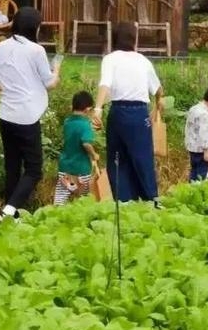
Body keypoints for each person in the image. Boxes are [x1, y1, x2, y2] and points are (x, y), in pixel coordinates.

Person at [0, 7, 61, 222]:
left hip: (6, 115)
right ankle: (8, 210)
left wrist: (7, 88)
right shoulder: (37, 51)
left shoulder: (1, 47)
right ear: (35, 28)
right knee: (34, 170)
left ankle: (12, 216)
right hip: (27, 117)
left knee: (12, 167)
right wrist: (57, 72)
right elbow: (49, 84)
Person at [92, 21, 164, 206]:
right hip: (139, 114)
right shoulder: (143, 60)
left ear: (114, 38)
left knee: (117, 159)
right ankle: (151, 201)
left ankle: (123, 202)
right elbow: (158, 90)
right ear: (134, 39)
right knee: (142, 158)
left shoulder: (110, 59)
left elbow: (105, 84)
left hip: (118, 113)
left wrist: (98, 109)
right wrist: (157, 107)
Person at [53, 91, 99, 205]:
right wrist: (94, 155)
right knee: (83, 199)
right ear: (87, 109)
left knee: (60, 198)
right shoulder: (85, 125)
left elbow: (75, 133)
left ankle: (56, 215)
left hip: (65, 168)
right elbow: (86, 143)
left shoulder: (67, 122)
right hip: (81, 170)